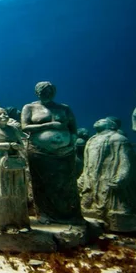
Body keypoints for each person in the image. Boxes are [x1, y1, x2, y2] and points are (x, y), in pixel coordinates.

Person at [22, 81, 83, 224]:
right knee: (42, 182)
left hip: (65, 152)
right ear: (37, 93)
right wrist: (49, 125)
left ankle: (69, 215)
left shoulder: (64, 108)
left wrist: (71, 142)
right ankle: (45, 214)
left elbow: (73, 128)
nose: (47, 94)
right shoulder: (29, 107)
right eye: (43, 92)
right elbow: (25, 127)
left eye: (50, 91)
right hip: (39, 150)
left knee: (66, 183)